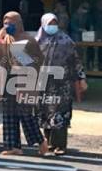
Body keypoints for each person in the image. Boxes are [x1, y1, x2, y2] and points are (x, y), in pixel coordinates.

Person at [0, 11, 48, 156]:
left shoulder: (29, 40)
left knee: (25, 113)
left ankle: (41, 142)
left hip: (25, 79)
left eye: (11, 23)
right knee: (9, 113)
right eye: (5, 23)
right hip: (8, 80)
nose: (8, 25)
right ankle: (13, 146)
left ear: (19, 24)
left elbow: (38, 61)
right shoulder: (5, 39)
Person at [36, 13, 88, 155]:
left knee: (60, 113)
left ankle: (61, 145)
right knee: (45, 113)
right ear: (43, 24)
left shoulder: (66, 41)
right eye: (49, 23)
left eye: (54, 23)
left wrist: (81, 78)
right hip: (44, 83)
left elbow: (76, 62)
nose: (52, 26)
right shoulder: (37, 41)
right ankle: (47, 144)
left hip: (62, 84)